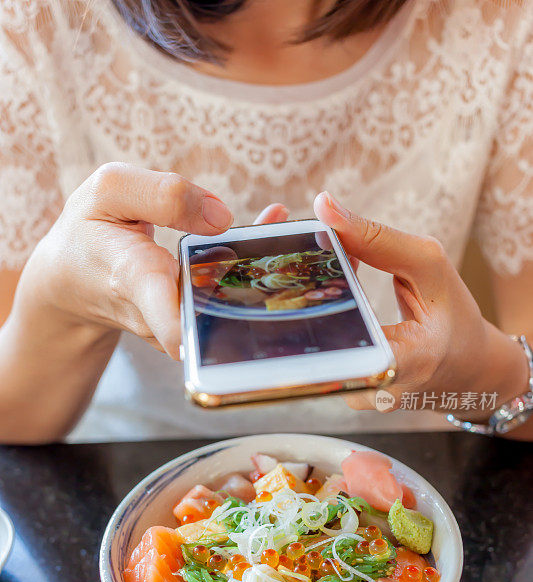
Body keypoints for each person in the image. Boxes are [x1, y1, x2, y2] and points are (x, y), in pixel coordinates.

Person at [0, 0, 531, 443]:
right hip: (126, 486)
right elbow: (13, 422)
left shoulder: (499, 17)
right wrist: (59, 304)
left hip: (408, 482)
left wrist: (488, 369)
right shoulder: (33, 23)